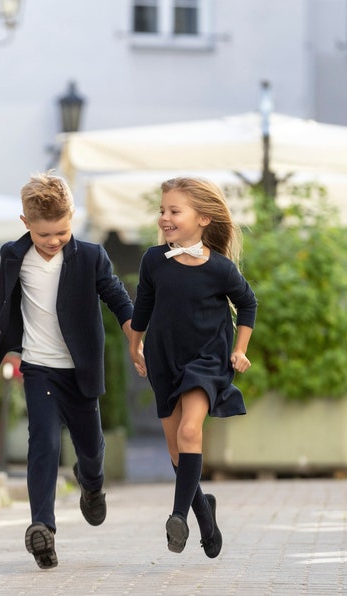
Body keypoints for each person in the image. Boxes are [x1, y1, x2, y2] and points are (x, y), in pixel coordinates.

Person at [0, 171, 135, 570]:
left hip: (79, 368)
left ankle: (92, 486)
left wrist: (137, 334)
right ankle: (42, 529)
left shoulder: (91, 256)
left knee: (91, 450)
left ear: (72, 220)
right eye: (44, 234)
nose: (53, 242)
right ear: (25, 223)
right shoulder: (12, 256)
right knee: (43, 444)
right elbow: (9, 308)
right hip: (39, 368)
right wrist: (11, 350)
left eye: (62, 233)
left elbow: (118, 297)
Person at [128, 177, 257, 559]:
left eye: (174, 211)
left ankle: (179, 516)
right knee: (175, 449)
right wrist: (135, 348)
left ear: (202, 218)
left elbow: (247, 304)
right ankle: (205, 511)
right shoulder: (153, 260)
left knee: (189, 430)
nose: (165, 217)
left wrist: (240, 350)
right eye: (162, 210)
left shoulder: (219, 269)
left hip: (207, 360)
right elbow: (143, 308)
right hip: (164, 359)